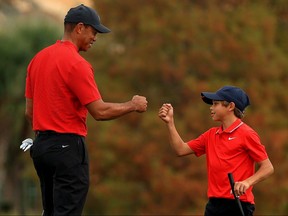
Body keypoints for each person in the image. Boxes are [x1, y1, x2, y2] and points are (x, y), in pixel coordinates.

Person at [24, 4, 147, 216]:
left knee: (50, 211)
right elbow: (99, 112)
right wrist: (132, 105)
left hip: (42, 147)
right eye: (94, 31)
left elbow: (29, 112)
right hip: (68, 149)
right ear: (79, 28)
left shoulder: (38, 59)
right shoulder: (77, 64)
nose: (96, 37)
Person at [158, 86, 274, 216]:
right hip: (214, 205)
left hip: (238, 204)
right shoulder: (211, 134)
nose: (211, 107)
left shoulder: (247, 133)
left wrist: (247, 182)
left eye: (215, 104)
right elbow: (180, 149)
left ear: (230, 106)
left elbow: (268, 167)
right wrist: (170, 123)